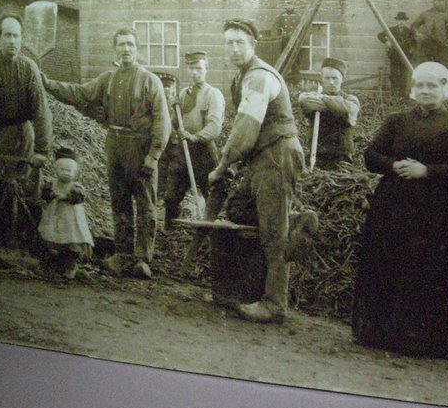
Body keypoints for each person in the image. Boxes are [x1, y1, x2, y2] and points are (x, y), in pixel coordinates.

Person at [351, 62, 448, 357]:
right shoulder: (396, 122)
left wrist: (427, 171)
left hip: (442, 212)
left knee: (431, 269)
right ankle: (384, 332)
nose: (426, 91)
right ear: (413, 89)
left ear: (444, 89)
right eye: (421, 86)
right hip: (396, 206)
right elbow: (371, 155)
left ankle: (431, 340)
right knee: (392, 262)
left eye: (433, 86)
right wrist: (393, 165)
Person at [44, 27, 171, 280]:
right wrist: (47, 83)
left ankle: (143, 259)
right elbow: (79, 93)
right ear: (115, 49)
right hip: (114, 144)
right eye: (121, 44)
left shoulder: (149, 81)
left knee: (145, 205)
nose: (125, 49)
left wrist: (153, 156)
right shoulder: (108, 79)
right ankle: (122, 256)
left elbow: (162, 121)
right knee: (119, 202)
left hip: (140, 147)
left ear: (137, 49)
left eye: (130, 44)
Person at [208, 19, 305, 323]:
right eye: (229, 43)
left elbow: (246, 128)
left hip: (277, 154)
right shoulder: (242, 76)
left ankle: (275, 304)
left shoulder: (259, 77)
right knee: (238, 209)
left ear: (253, 45)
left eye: (240, 42)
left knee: (273, 233)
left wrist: (222, 166)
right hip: (262, 157)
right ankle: (293, 220)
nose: (234, 48)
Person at [0, 14, 52, 251]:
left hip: (23, 135)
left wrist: (42, 149)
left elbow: (40, 110)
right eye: (7, 35)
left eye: (16, 36)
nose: (12, 41)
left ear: (22, 38)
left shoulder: (29, 68)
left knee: (28, 187)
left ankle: (28, 245)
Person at [161, 51, 225, 227]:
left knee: (213, 197)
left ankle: (213, 235)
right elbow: (175, 123)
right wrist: (174, 109)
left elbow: (214, 127)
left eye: (199, 68)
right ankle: (169, 236)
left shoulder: (214, 94)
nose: (195, 72)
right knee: (171, 197)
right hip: (183, 152)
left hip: (204, 153)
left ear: (206, 69)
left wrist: (195, 137)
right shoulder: (183, 94)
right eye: (191, 68)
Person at [38, 146, 93, 280]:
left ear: (75, 172)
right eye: (62, 170)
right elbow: (44, 195)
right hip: (55, 216)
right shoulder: (52, 184)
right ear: (56, 170)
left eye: (70, 170)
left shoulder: (75, 187)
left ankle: (71, 266)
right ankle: (51, 265)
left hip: (71, 218)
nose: (66, 173)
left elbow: (79, 197)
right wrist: (50, 194)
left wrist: (66, 197)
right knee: (52, 238)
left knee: (72, 241)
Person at [297, 57, 360, 169]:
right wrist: (335, 105)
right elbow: (303, 100)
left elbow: (348, 109)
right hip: (317, 155)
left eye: (335, 78)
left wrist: (322, 99)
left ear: (342, 79)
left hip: (342, 158)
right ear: (322, 79)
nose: (331, 82)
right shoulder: (310, 98)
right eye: (327, 78)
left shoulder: (351, 100)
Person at [411, 0, 448, 65]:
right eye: (435, 1)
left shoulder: (446, 16)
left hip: (440, 46)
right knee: (427, 66)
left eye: (440, 1)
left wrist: (447, 43)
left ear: (443, 1)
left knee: (440, 67)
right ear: (432, 2)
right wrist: (418, 34)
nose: (438, 3)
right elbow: (414, 26)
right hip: (427, 45)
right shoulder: (426, 14)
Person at [377, 12, 415, 97]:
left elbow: (414, 43)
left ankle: (402, 95)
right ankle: (394, 94)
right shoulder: (391, 30)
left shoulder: (409, 32)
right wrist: (386, 41)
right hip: (394, 55)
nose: (401, 22)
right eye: (399, 20)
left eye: (403, 20)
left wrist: (411, 51)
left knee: (403, 75)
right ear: (397, 21)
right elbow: (380, 35)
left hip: (405, 56)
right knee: (394, 74)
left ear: (405, 21)